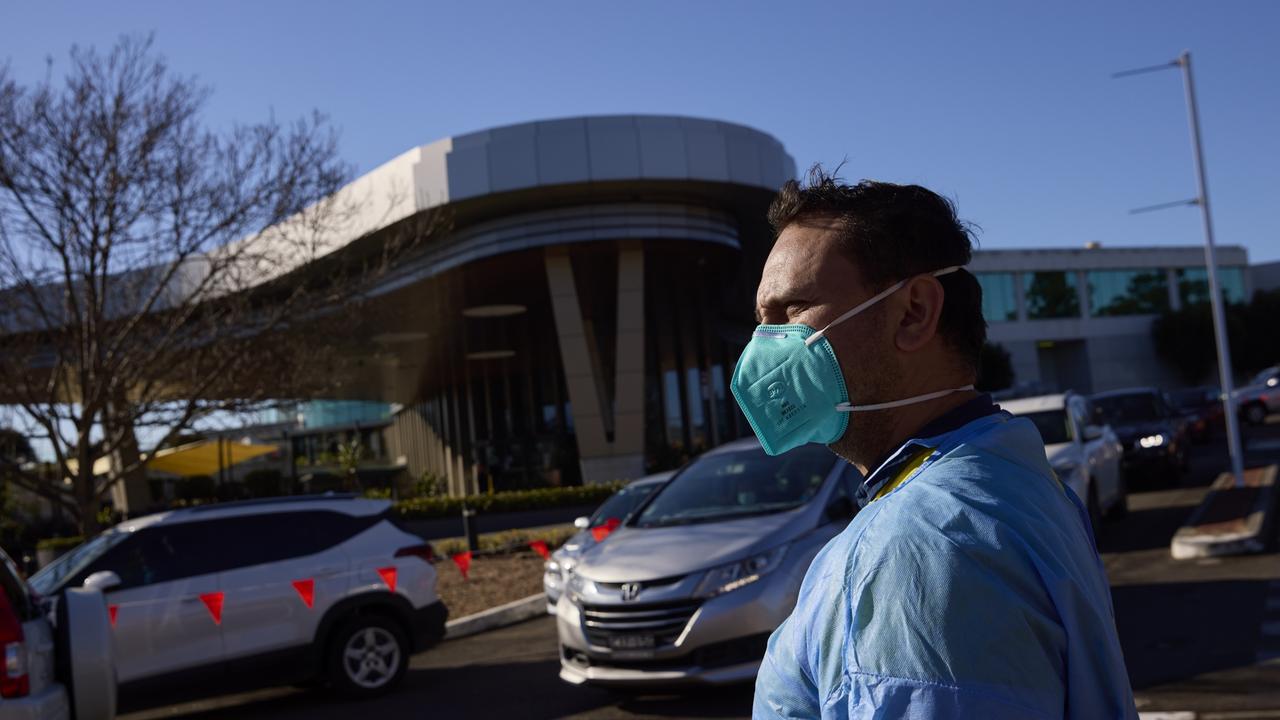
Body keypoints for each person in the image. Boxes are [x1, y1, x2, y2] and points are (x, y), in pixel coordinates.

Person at [735, 169, 1136, 719]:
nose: (766, 348)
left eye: (793, 311)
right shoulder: (1000, 477)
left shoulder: (920, 542)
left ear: (915, 312)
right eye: (763, 321)